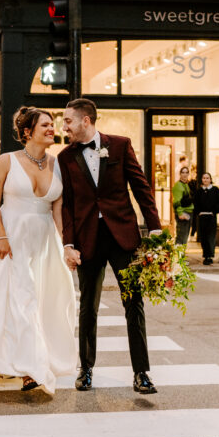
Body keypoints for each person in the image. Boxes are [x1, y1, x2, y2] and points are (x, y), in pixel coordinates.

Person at [0, 107, 77, 394]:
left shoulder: (57, 164)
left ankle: (30, 363)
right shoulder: (6, 161)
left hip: (43, 242)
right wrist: (1, 237)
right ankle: (29, 367)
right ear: (27, 132)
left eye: (52, 124)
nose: (51, 129)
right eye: (45, 124)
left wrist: (66, 244)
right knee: (17, 301)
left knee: (41, 301)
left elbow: (58, 209)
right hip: (9, 239)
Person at [57, 98, 163, 395]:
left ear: (85, 121)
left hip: (123, 239)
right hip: (87, 241)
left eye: (67, 121)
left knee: (134, 304)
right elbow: (67, 206)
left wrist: (154, 227)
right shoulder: (65, 158)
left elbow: (141, 187)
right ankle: (86, 368)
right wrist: (68, 243)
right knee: (87, 307)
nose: (63, 127)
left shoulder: (119, 145)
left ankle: (141, 373)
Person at [193, 172, 219, 264]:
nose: (205, 180)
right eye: (204, 178)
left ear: (210, 179)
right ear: (202, 180)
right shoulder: (199, 191)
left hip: (211, 216)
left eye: (207, 178)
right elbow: (196, 203)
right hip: (202, 217)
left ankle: (210, 255)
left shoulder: (215, 190)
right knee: (204, 237)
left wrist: (214, 212)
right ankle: (205, 255)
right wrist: (199, 213)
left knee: (211, 236)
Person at [171, 166, 194, 244]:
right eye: (183, 172)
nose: (184, 174)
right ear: (180, 174)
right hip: (183, 213)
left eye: (186, 172)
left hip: (189, 212)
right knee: (181, 237)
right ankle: (178, 255)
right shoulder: (178, 185)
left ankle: (181, 254)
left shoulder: (187, 184)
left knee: (185, 237)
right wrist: (180, 213)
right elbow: (176, 202)